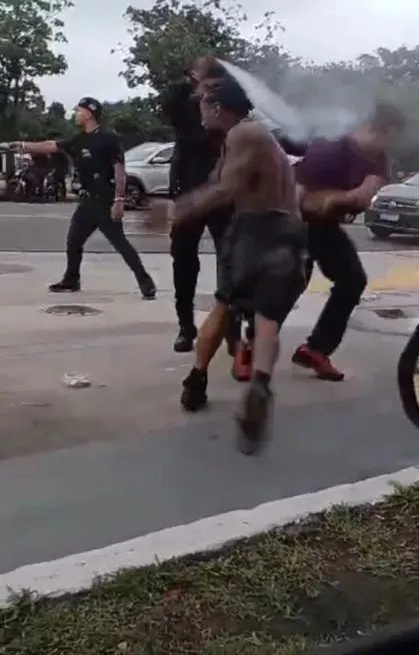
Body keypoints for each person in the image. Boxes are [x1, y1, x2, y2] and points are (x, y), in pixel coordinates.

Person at [147, 75, 306, 455]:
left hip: (256, 231)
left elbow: (227, 188)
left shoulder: (243, 135)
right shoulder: (258, 136)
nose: (199, 110)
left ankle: (196, 379)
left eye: (203, 104)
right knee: (267, 321)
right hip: (290, 233)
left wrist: (178, 212)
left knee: (222, 306)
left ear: (218, 108)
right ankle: (261, 382)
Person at [291, 102, 405, 381]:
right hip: (295, 223)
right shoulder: (329, 148)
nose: (391, 144)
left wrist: (334, 200)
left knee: (353, 281)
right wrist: (340, 199)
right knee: (289, 287)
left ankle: (317, 349)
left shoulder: (379, 159)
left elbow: (363, 197)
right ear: (373, 128)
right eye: (390, 136)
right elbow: (298, 196)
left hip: (324, 225)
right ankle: (250, 342)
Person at [4, 98, 157, 298]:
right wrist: (23, 145)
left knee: (120, 243)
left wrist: (119, 200)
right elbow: (52, 145)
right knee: (74, 241)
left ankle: (145, 282)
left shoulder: (108, 138)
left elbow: (120, 169)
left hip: (105, 201)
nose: (76, 114)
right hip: (87, 202)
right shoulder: (79, 139)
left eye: (79, 111)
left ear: (89, 114)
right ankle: (71, 280)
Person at [162, 57, 231, 354]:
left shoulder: (225, 110)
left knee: (228, 260)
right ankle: (185, 327)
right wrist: (192, 81)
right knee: (184, 261)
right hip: (188, 191)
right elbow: (169, 104)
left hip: (221, 191)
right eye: (206, 84)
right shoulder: (186, 106)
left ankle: (230, 327)